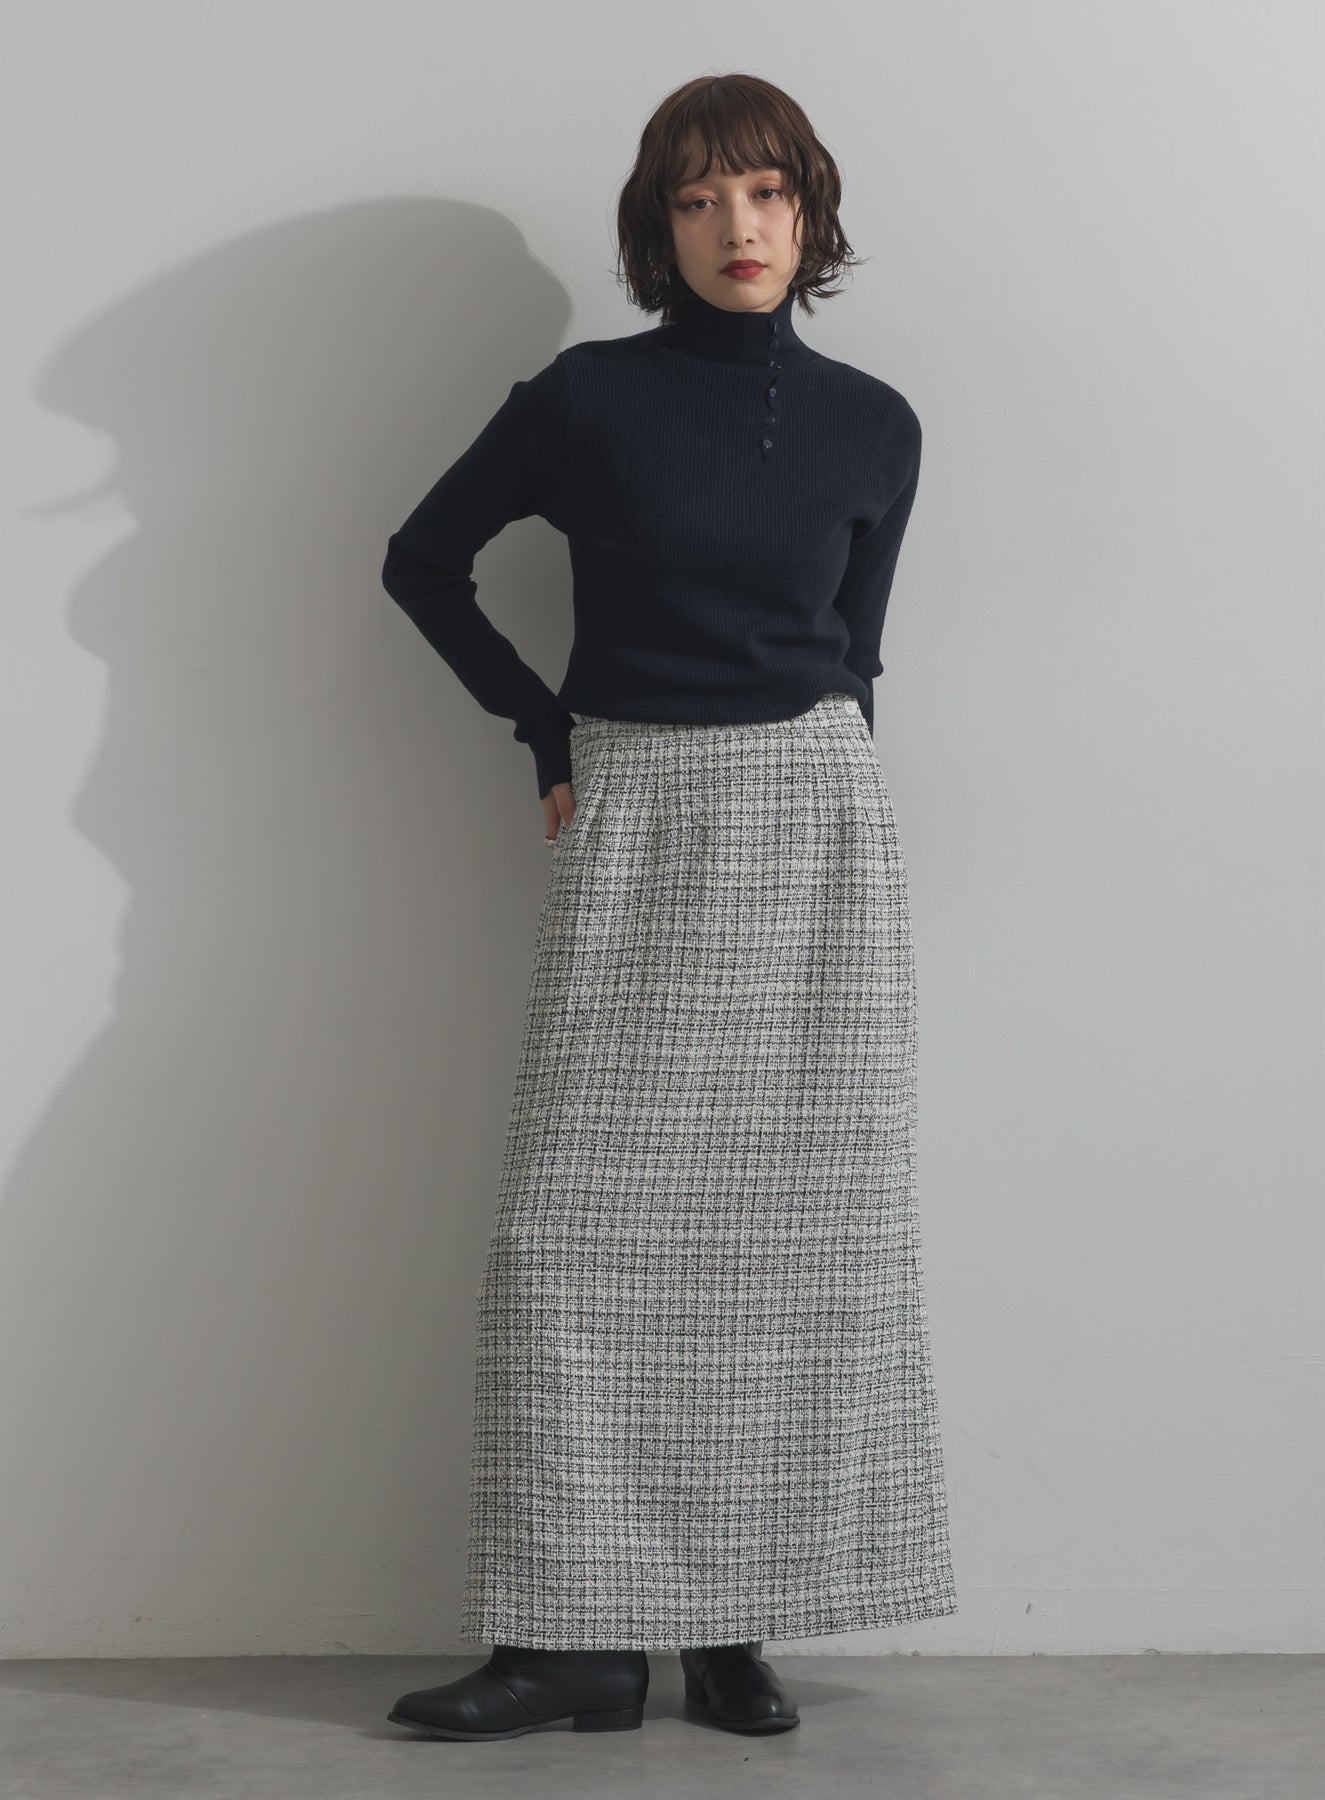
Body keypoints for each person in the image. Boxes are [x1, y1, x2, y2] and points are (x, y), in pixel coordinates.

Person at [380, 71, 957, 1745]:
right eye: (699, 199)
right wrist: (543, 729)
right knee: (571, 1239)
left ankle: (725, 1630)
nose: (736, 227)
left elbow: (855, 656)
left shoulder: (876, 424)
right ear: (658, 226)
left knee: (793, 1242)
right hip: (637, 803)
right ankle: (570, 1640)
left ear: (810, 211)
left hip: (817, 822)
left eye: (765, 193)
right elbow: (421, 561)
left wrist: (834, 814)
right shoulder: (586, 400)